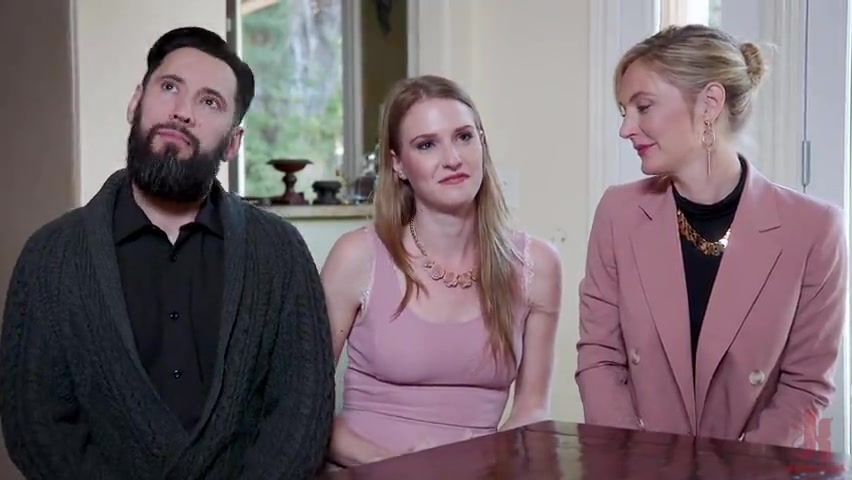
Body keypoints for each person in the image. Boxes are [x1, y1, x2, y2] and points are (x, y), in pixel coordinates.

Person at [0, 26, 335, 479]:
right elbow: (36, 426)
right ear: (136, 101)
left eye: (209, 102)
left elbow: (302, 412)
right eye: (170, 87)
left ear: (233, 143)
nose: (182, 112)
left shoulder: (281, 253)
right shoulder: (50, 256)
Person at [575, 24, 847, 449]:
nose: (626, 128)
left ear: (710, 103)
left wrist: (739, 467)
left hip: (756, 469)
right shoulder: (618, 213)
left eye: (643, 107)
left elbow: (806, 385)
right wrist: (637, 460)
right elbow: (599, 357)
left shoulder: (815, 229)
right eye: (624, 111)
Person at [320, 75, 563, 467]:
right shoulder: (358, 257)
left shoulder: (538, 265)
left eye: (464, 137)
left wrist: (494, 467)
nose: (452, 158)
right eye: (426, 144)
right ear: (398, 164)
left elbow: (532, 409)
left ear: (482, 143)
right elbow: (302, 408)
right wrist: (401, 468)